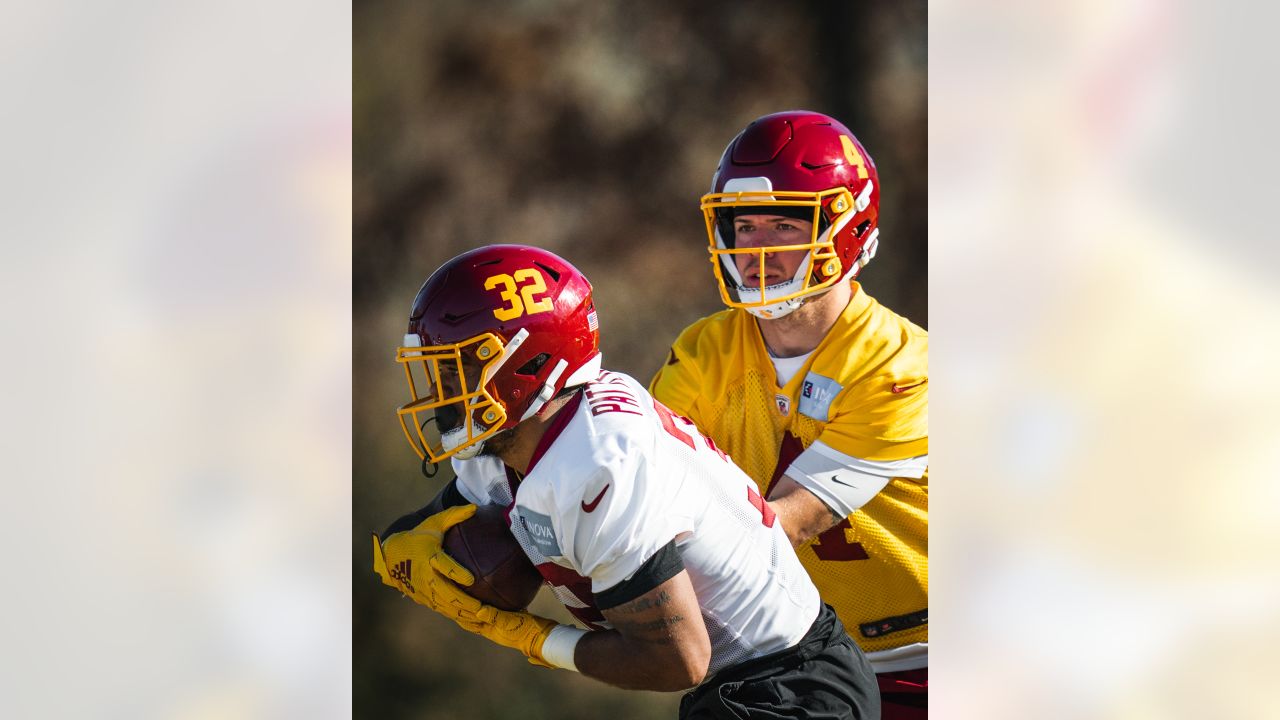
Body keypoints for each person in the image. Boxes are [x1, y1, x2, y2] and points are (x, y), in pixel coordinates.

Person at [372, 244, 879, 719]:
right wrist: (399, 548)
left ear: (527, 365)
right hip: (742, 688)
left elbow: (679, 660)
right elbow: (440, 519)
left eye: (457, 369)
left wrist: (530, 638)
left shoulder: (596, 464)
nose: (441, 394)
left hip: (796, 689)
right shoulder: (517, 434)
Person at [649, 110, 928, 718]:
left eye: (783, 225)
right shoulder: (704, 350)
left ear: (847, 230)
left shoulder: (901, 364)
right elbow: (644, 480)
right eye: (743, 226)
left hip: (925, 664)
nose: (758, 250)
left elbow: (776, 531)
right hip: (789, 665)